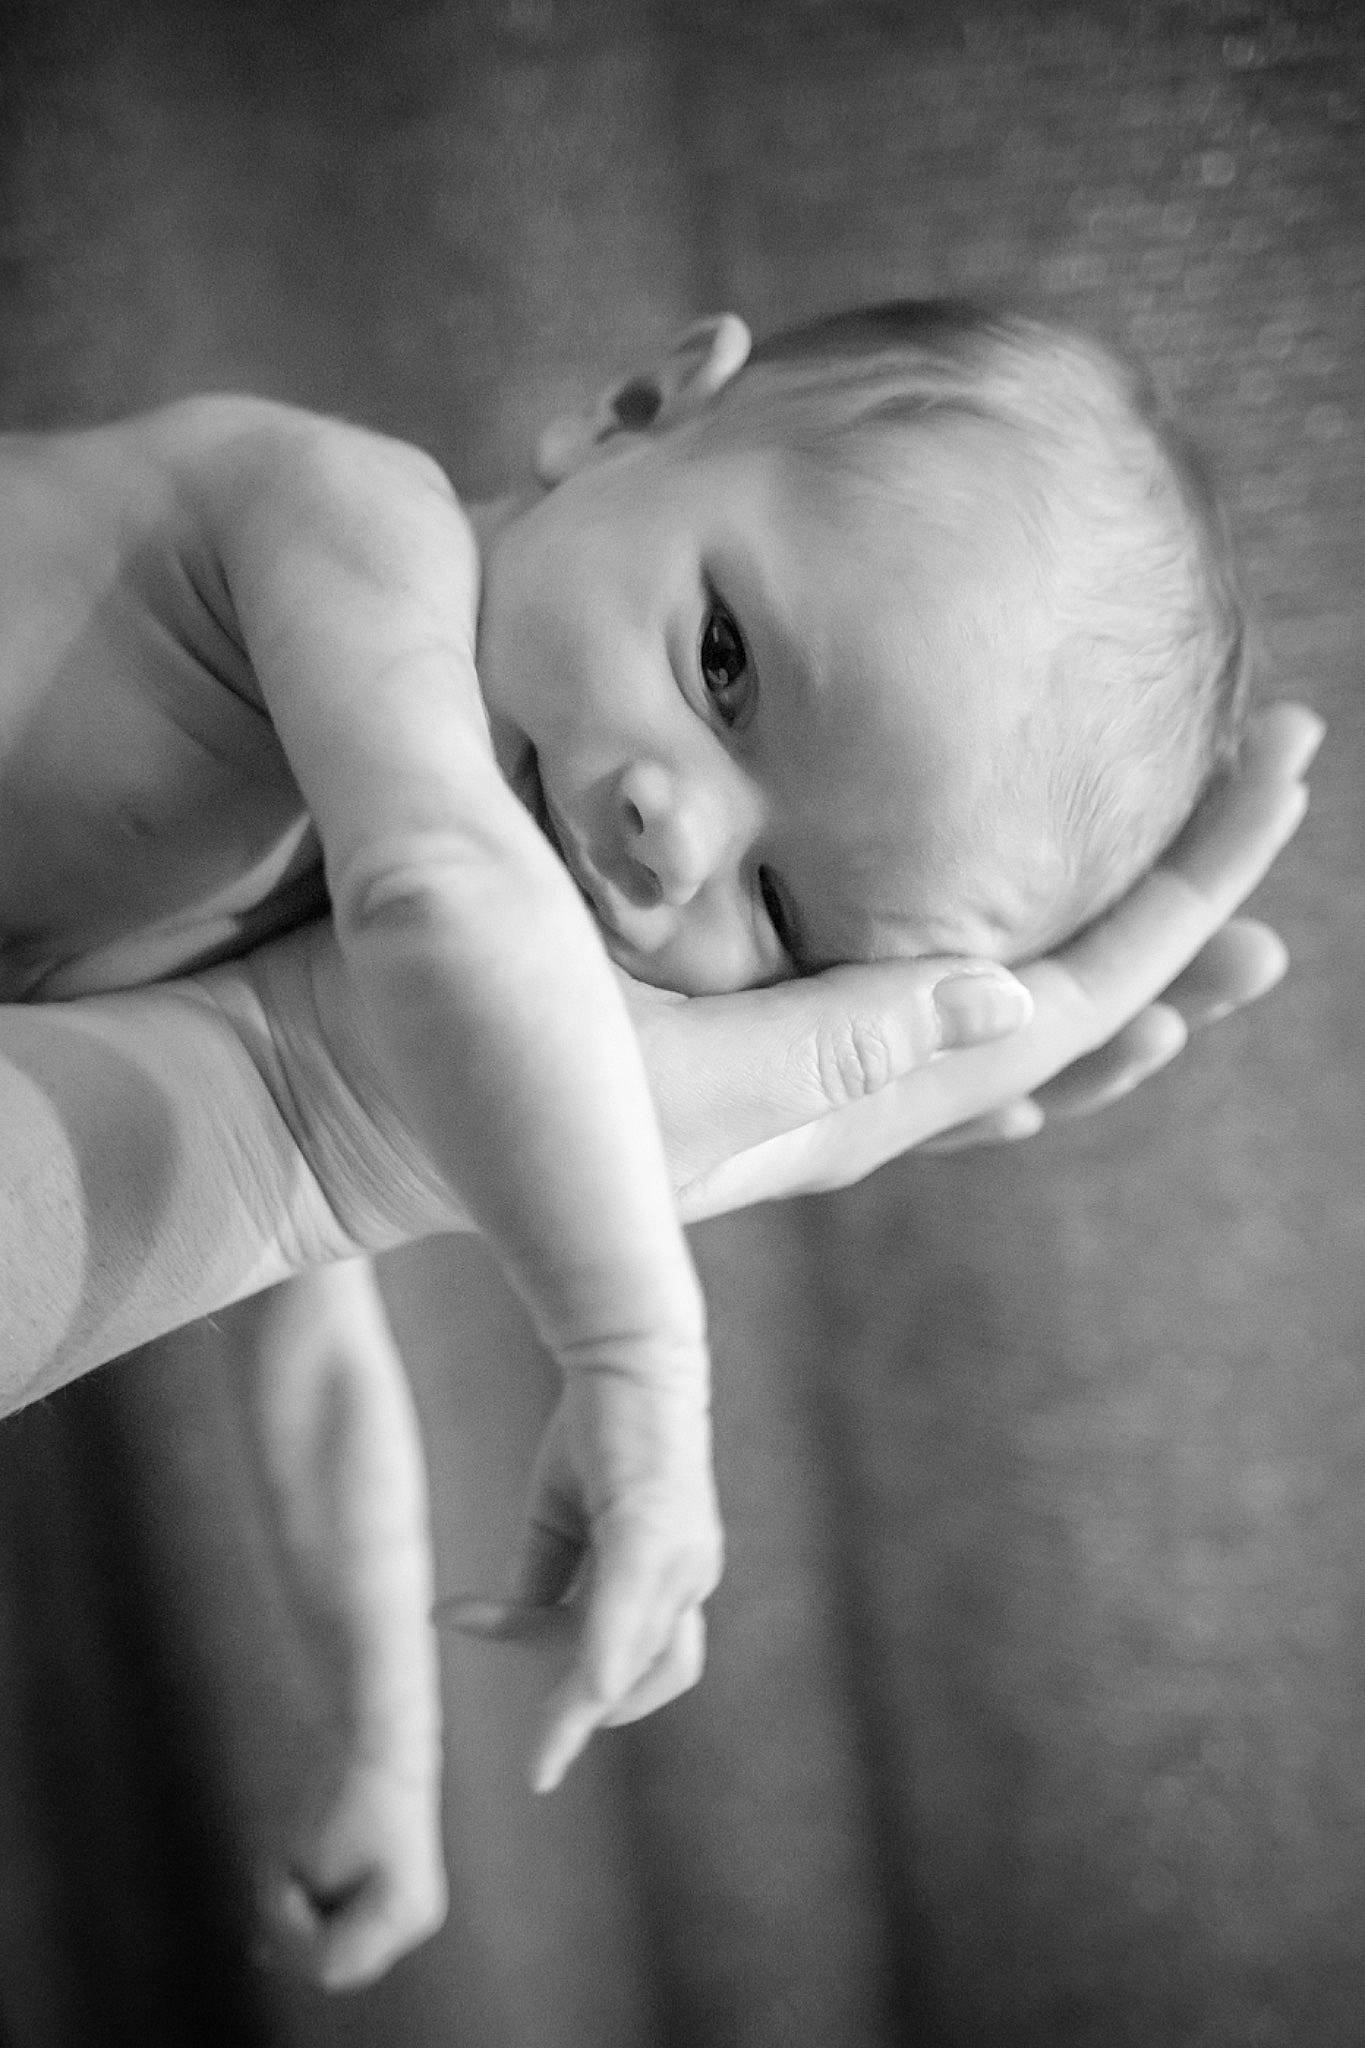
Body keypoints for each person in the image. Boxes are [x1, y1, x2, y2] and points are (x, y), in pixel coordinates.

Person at [0, 311, 1318, 1982]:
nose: (673, 826)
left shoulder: (348, 918)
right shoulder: (342, 515)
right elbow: (441, 895)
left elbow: (304, 1335)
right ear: (634, 410)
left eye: (780, 911)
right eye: (724, 665)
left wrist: (392, 1752)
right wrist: (634, 1362)